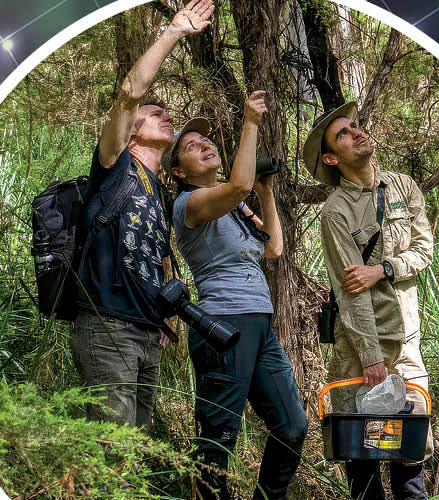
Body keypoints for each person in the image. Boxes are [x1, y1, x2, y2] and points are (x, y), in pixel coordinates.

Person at [70, 0, 213, 427]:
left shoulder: (158, 190)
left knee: (137, 451)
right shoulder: (114, 167)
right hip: (108, 327)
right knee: (114, 452)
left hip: (148, 333)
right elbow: (130, 93)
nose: (168, 116)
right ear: (132, 129)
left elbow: (159, 253)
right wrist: (174, 32)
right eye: (156, 114)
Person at [165, 91, 307, 500]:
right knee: (218, 439)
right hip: (223, 325)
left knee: (292, 426)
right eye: (192, 147)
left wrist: (264, 191)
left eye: (207, 141)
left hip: (259, 326)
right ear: (179, 171)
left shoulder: (234, 207)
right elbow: (238, 183)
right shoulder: (189, 203)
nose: (205, 145)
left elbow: (274, 248)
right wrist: (250, 122)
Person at [304, 101, 435, 500]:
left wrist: (384, 269)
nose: (357, 133)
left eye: (355, 126)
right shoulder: (336, 212)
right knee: (363, 451)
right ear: (331, 157)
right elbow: (350, 292)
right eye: (343, 134)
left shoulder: (403, 186)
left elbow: (424, 250)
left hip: (406, 341)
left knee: (411, 449)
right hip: (360, 347)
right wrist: (371, 358)